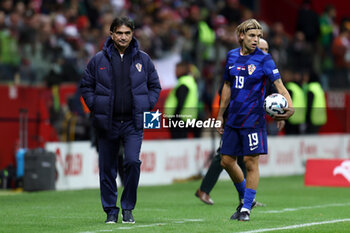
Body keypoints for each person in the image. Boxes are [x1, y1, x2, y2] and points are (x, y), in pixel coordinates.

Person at [80, 16, 161, 224]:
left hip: (134, 122)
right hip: (107, 122)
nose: (123, 37)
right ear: (112, 34)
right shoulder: (98, 60)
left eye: (127, 33)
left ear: (133, 34)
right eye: (119, 33)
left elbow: (155, 86)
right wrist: (95, 105)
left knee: (133, 162)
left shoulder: (143, 59)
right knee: (107, 167)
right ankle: (110, 211)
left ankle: (128, 208)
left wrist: (147, 105)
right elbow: (86, 86)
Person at [216, 19, 294, 221]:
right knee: (226, 161)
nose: (256, 40)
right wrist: (219, 115)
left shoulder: (265, 59)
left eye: (258, 36)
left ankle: (246, 208)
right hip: (233, 118)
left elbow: (280, 86)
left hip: (254, 120)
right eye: (252, 36)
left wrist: (290, 105)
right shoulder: (231, 56)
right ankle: (245, 199)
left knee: (250, 162)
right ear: (241, 36)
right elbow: (226, 86)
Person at [195, 38, 284, 205]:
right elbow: (226, 90)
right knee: (224, 157)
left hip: (251, 120)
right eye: (261, 48)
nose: (264, 52)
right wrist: (223, 116)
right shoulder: (240, 65)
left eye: (266, 49)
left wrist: (280, 115)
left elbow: (275, 94)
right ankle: (204, 190)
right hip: (235, 118)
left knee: (243, 157)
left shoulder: (266, 68)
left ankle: (245, 198)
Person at [164, 61, 199, 138]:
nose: (175, 72)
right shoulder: (190, 82)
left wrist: (174, 117)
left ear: (182, 69)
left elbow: (181, 102)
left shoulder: (183, 84)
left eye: (177, 70)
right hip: (186, 118)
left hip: (180, 120)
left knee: (178, 144)